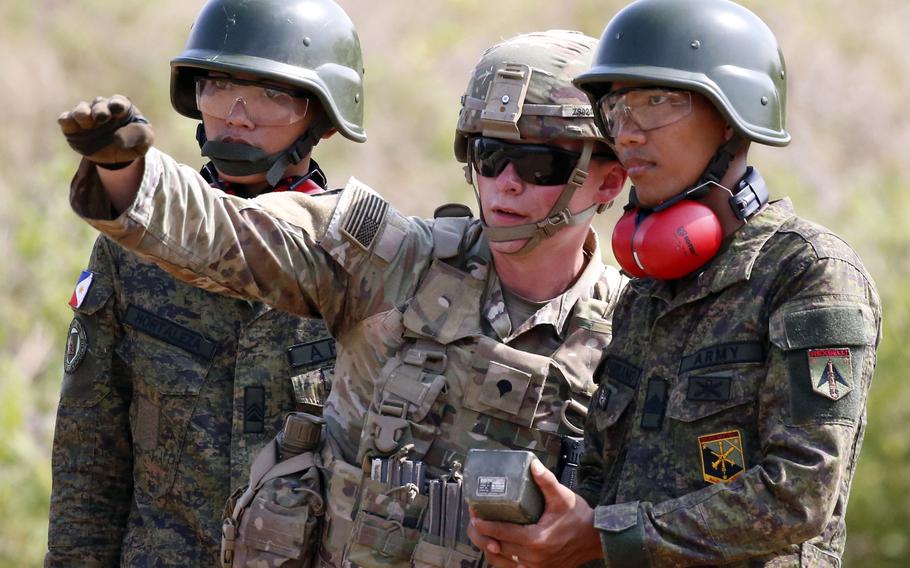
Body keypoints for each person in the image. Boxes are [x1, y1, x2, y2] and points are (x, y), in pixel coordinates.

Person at [56, 29, 629, 566]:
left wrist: (593, 537)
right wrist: (129, 172)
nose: (507, 183)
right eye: (489, 155)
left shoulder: (628, 334)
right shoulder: (397, 262)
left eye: (540, 163)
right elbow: (232, 230)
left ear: (607, 181)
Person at [467, 1, 883, 566]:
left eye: (657, 102)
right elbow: (600, 474)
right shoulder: (646, 292)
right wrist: (546, 528)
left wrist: (603, 536)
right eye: (617, 108)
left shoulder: (808, 273)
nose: (628, 134)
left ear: (732, 120)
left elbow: (800, 493)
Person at [46, 0, 365, 565]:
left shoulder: (363, 265)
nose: (237, 115)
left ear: (322, 117)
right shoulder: (131, 250)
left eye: (273, 95)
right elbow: (88, 457)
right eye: (217, 87)